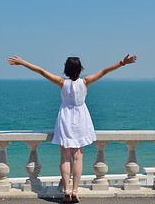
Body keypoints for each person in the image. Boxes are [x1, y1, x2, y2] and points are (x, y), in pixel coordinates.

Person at [8, 54, 137, 202]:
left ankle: (67, 190)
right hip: (81, 119)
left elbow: (41, 71)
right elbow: (104, 71)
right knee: (77, 157)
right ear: (80, 69)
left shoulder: (62, 82)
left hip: (65, 119)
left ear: (66, 70)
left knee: (64, 158)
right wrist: (122, 63)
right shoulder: (86, 82)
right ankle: (75, 191)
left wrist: (22, 62)